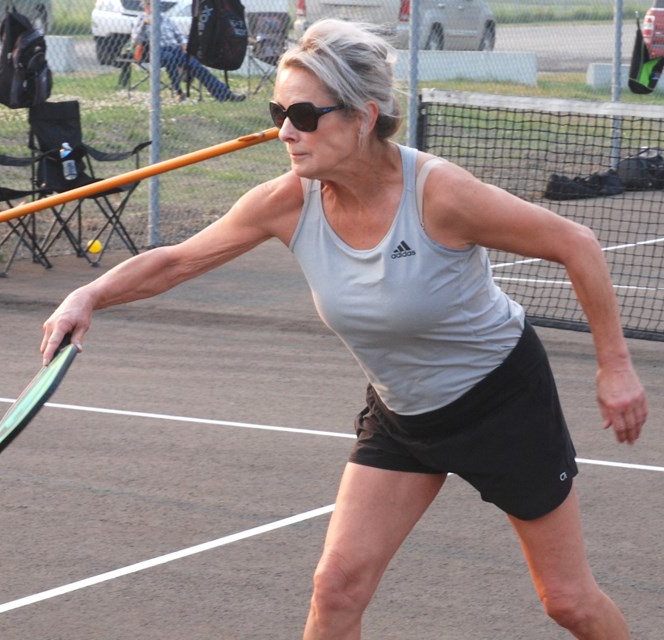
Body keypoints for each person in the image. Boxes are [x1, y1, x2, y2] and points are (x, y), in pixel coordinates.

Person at [42, 19, 648, 639]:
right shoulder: (287, 202)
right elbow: (175, 260)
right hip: (403, 415)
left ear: (363, 116)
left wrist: (615, 366)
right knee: (337, 590)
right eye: (280, 110)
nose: (284, 131)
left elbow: (578, 244)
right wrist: (88, 294)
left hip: (501, 404)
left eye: (304, 115)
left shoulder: (440, 195)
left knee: (567, 603)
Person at [129, 0, 246, 102]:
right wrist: (144, 25)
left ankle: (224, 94)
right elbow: (135, 41)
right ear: (145, 6)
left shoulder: (166, 20)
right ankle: (178, 91)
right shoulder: (141, 19)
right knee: (170, 57)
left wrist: (185, 44)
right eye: (148, 4)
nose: (151, 7)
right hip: (155, 52)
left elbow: (180, 36)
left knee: (196, 66)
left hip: (175, 50)